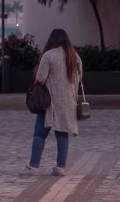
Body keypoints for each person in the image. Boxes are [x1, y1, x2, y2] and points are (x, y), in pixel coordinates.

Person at [28, 27, 82, 176]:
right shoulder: (75, 57)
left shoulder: (49, 55)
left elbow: (40, 78)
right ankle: (61, 166)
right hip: (68, 102)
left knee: (39, 134)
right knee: (62, 134)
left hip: (50, 102)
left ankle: (33, 166)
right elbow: (79, 78)